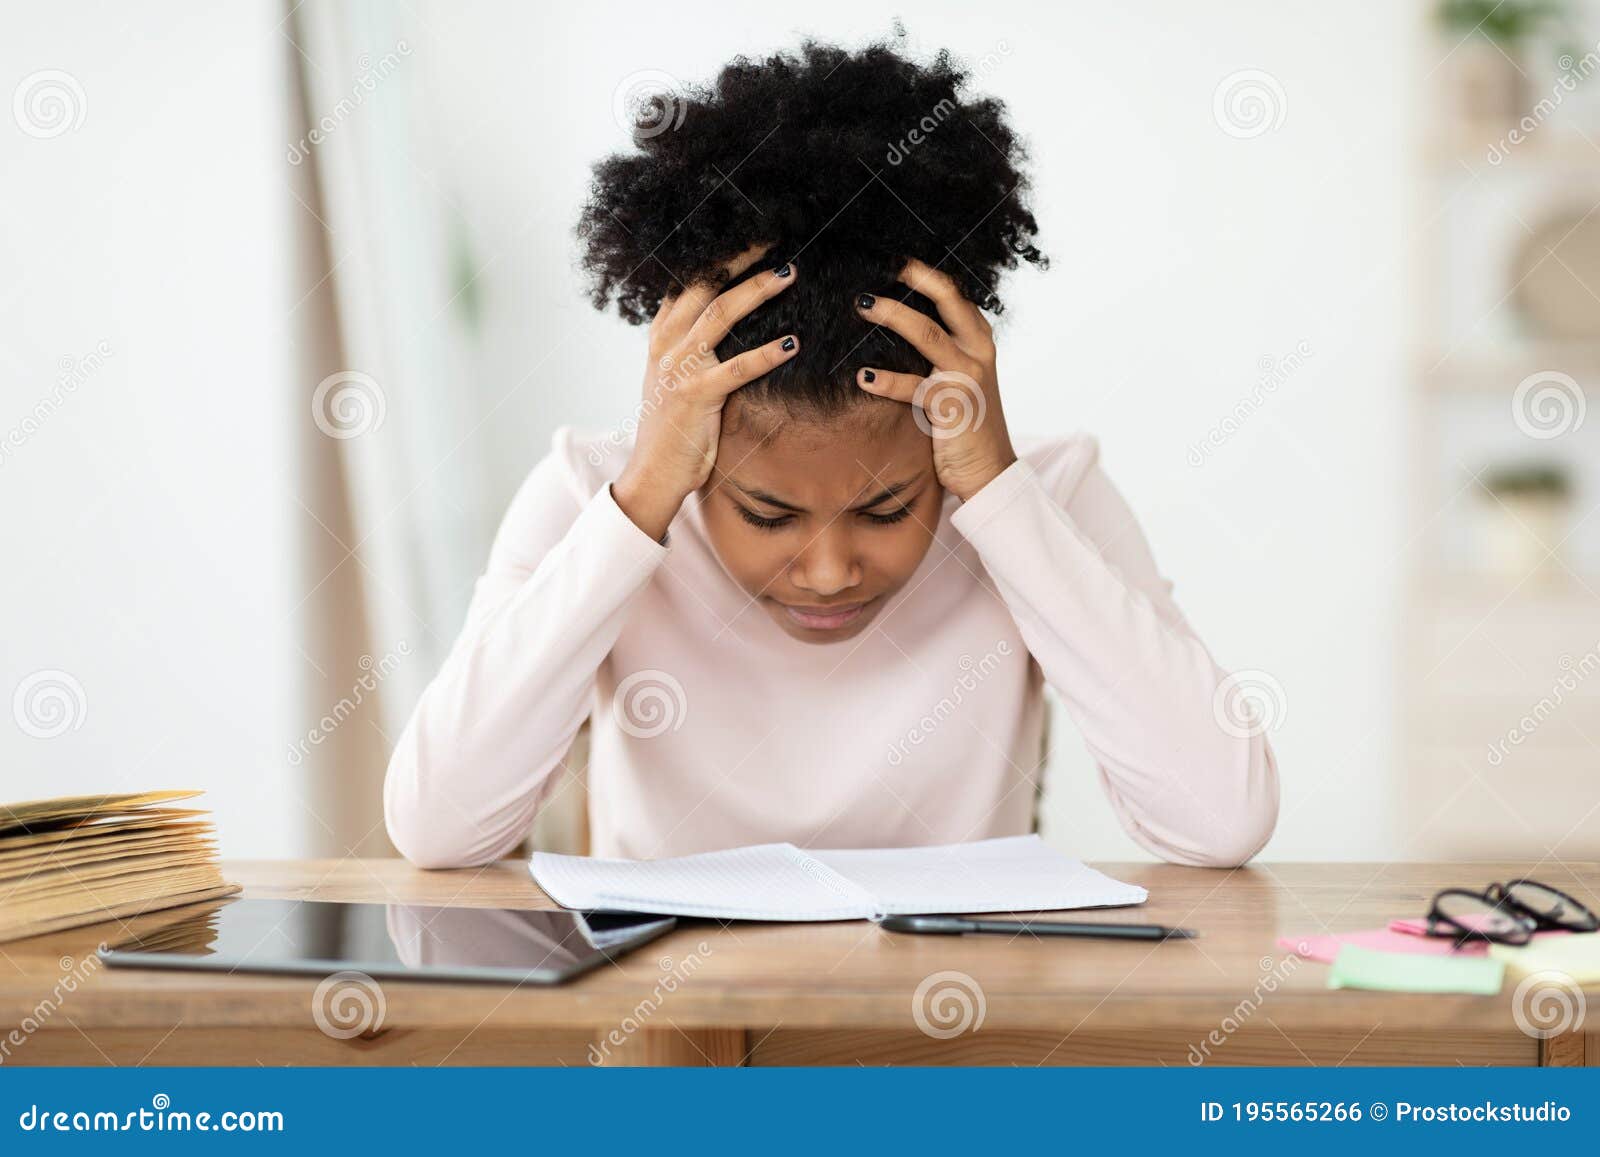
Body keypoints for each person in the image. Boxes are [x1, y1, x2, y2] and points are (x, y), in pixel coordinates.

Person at [383, 35, 1279, 869]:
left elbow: (1220, 820)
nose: (827, 570)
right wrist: (645, 497)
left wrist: (999, 497)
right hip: (676, 1030)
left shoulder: (1043, 495)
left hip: (952, 1023)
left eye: (886, 508)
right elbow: (440, 829)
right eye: (767, 513)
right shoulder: (597, 496)